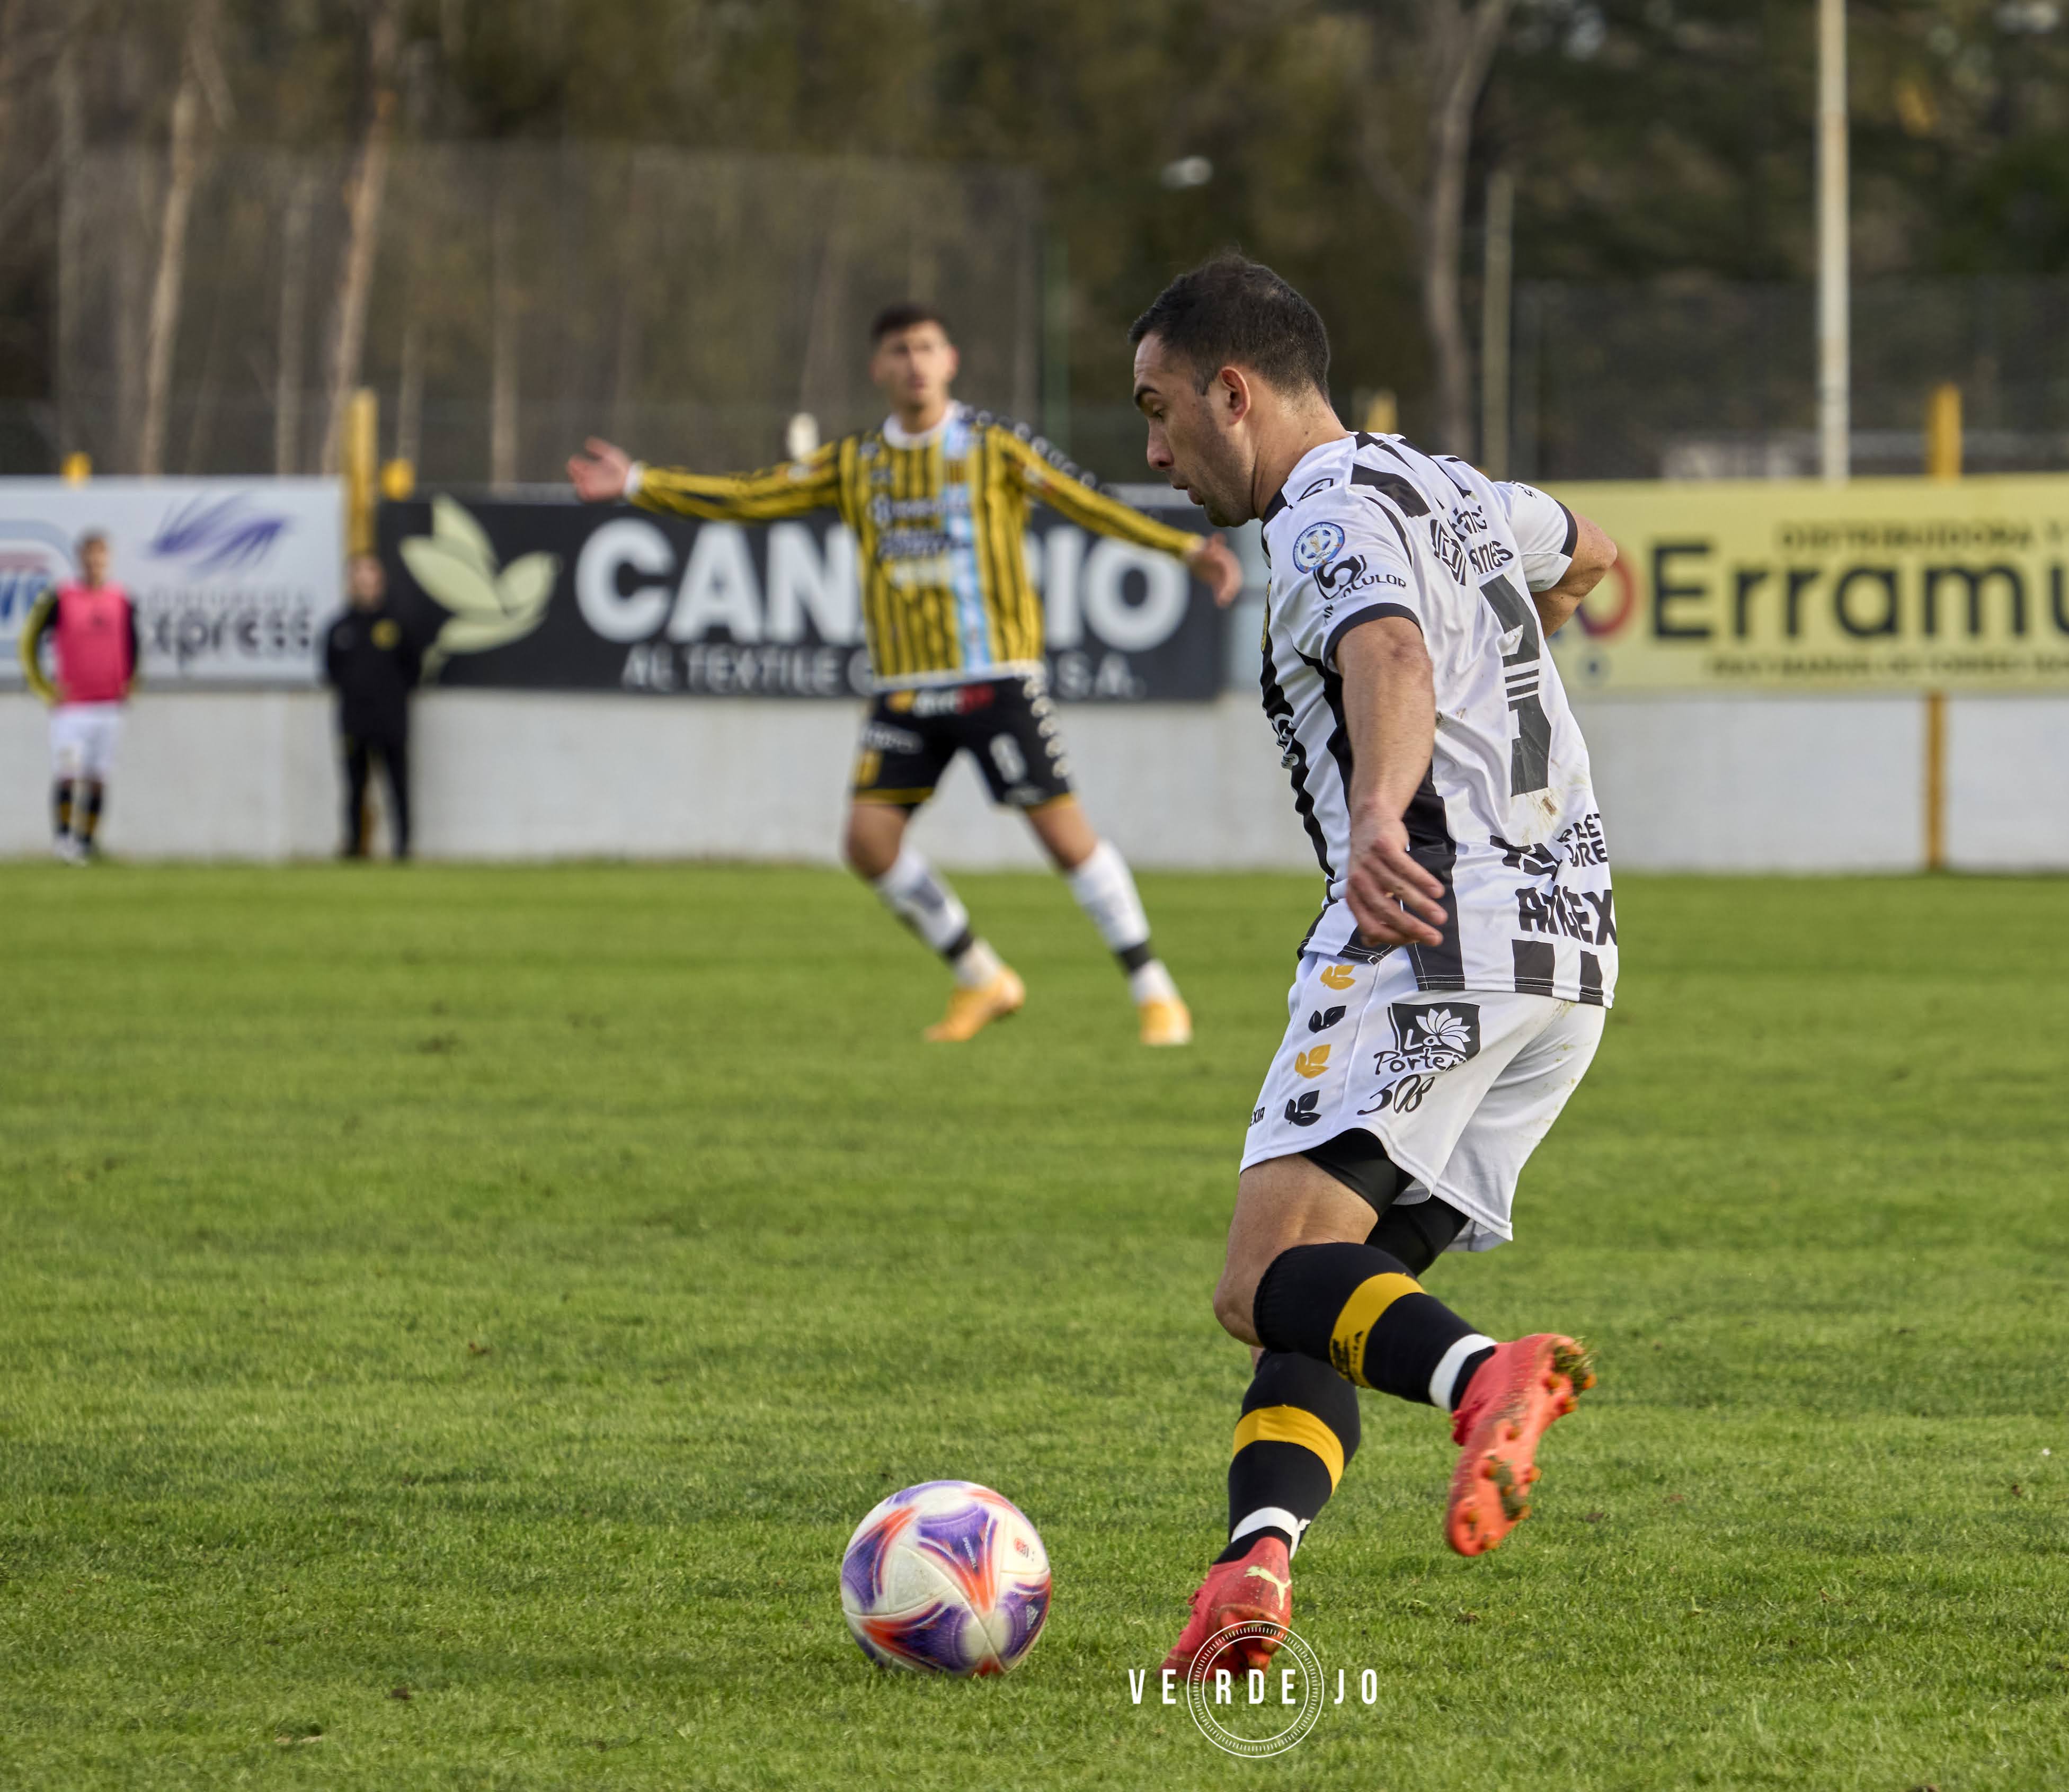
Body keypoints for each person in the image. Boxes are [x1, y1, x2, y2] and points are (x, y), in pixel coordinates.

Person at [1126, 255, 1623, 1679]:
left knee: (1259, 1276)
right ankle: (1248, 1569)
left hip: (1427, 919)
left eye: (1161, 412)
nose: (1154, 452)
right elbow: (1590, 549)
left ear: (1236, 389)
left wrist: (1370, 818)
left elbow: (1390, 651)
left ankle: (1484, 1379)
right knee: (1332, 1286)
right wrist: (1557, 623)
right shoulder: (1451, 486)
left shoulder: (1328, 510)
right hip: (1564, 945)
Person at [565, 302, 1244, 1046]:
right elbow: (750, 496)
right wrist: (638, 482)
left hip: (996, 678)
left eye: (926, 347)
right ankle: (981, 975)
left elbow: (1085, 501)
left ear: (949, 360)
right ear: (878, 368)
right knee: (867, 843)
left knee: (1063, 839)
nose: (914, 361)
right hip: (905, 690)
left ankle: (1155, 992)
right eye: (899, 350)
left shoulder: (992, 445)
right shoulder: (855, 462)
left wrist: (1184, 552)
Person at [19, 530, 137, 864]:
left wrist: (129, 682)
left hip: (108, 706)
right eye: (90, 557)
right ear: (80, 560)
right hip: (72, 710)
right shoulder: (61, 598)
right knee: (68, 772)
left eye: (101, 557)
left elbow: (134, 645)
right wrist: (44, 687)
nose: (95, 564)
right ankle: (63, 840)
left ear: (107, 560)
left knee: (98, 777)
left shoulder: (121, 600)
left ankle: (87, 842)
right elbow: (29, 642)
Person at [323, 551, 424, 859]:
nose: (364, 583)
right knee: (355, 789)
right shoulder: (340, 628)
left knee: (398, 787)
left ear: (380, 581)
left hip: (391, 721)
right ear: (351, 583)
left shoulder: (397, 624)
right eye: (358, 577)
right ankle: (355, 848)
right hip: (355, 722)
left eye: (370, 576)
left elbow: (413, 671)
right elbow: (331, 672)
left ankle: (403, 849)